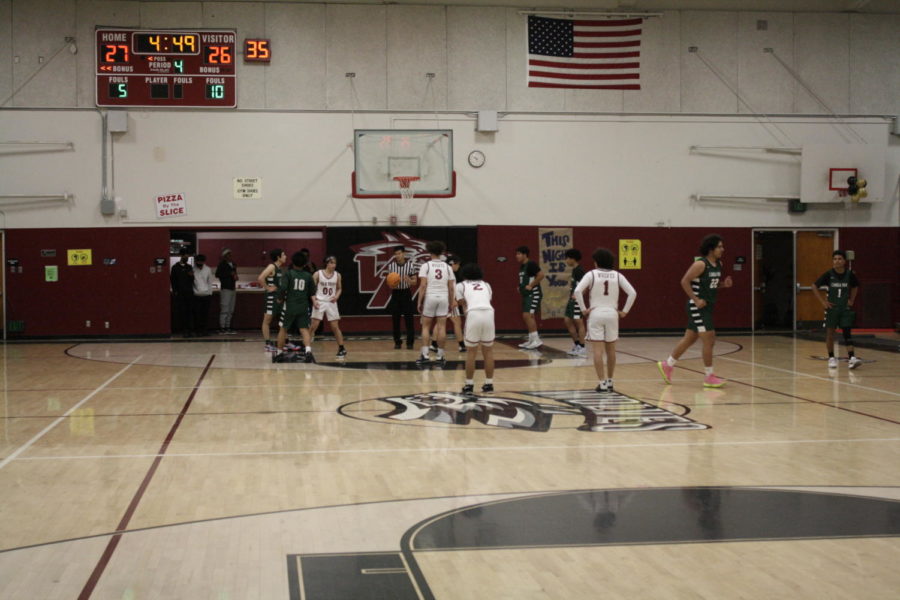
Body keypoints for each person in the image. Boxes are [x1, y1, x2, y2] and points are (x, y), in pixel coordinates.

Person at [657, 234, 733, 388]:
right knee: (709, 339)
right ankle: (709, 376)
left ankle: (668, 364)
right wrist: (696, 299)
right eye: (719, 246)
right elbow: (684, 281)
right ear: (711, 249)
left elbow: (712, 284)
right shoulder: (700, 264)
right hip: (698, 307)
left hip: (708, 305)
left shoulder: (719, 264)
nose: (722, 249)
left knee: (690, 339)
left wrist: (723, 285)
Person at [574, 248, 637, 392]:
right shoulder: (618, 275)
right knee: (611, 350)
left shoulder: (591, 274)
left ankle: (601, 383)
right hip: (612, 314)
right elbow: (633, 293)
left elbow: (577, 291)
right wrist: (625, 311)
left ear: (596, 262)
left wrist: (584, 309)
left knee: (597, 351)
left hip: (596, 313)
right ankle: (610, 381)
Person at [812, 250, 861, 369]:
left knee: (847, 332)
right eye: (835, 259)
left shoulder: (850, 274)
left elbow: (855, 286)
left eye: (839, 259)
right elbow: (814, 286)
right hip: (832, 308)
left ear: (844, 261)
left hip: (844, 308)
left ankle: (852, 358)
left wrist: (852, 300)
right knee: (830, 333)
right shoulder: (829, 274)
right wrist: (823, 302)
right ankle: (831, 358)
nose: (837, 261)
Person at [416, 241, 456, 366]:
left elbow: (422, 285)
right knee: (442, 327)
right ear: (442, 252)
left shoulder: (426, 266)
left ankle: (425, 354)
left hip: (430, 297)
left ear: (429, 251)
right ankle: (440, 356)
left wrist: (419, 302)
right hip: (443, 297)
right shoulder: (447, 267)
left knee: (426, 327)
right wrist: (451, 301)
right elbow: (451, 287)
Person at [457, 263, 496, 394]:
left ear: (465, 274)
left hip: (474, 314)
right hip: (489, 313)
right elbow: (486, 299)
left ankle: (469, 385)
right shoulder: (487, 285)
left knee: (471, 353)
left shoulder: (461, 285)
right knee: (488, 351)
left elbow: (463, 304)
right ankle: (489, 384)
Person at [272, 251, 316, 363]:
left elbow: (282, 288)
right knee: (304, 329)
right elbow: (312, 293)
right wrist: (315, 302)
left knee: (283, 329)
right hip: (303, 306)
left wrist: (280, 298)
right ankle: (308, 352)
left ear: (292, 262)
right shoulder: (308, 276)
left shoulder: (288, 273)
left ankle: (280, 353)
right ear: (305, 264)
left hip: (290, 306)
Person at [311, 256, 347, 359]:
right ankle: (307, 348)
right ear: (326, 263)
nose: (334, 265)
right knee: (314, 326)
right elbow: (312, 289)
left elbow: (339, 288)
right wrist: (314, 301)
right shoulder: (317, 274)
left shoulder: (337, 275)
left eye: (335, 263)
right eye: (331, 263)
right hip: (320, 301)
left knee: (335, 327)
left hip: (331, 302)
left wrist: (336, 296)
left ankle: (341, 348)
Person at [387, 245, 418, 349]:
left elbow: (415, 282)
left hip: (406, 293)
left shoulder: (410, 266)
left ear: (404, 254)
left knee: (409, 319)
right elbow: (389, 283)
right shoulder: (391, 266)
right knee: (395, 319)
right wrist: (393, 283)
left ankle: (410, 342)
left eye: (399, 253)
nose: (398, 256)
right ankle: (397, 342)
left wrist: (408, 280)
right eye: (396, 254)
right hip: (396, 293)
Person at [257, 248, 286, 351]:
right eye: (283, 255)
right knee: (267, 321)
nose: (285, 256)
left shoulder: (279, 268)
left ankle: (284, 341)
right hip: (271, 297)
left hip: (278, 297)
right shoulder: (271, 266)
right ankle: (267, 344)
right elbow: (260, 278)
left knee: (282, 320)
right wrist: (267, 288)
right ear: (278, 257)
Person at [516, 246, 544, 349]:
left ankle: (536, 340)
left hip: (533, 294)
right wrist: (520, 287)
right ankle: (532, 339)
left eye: (519, 254)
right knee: (526, 316)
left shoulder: (531, 264)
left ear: (525, 255)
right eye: (516, 254)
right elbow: (525, 279)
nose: (517, 256)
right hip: (526, 295)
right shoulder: (522, 266)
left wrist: (531, 285)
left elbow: (541, 275)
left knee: (528, 315)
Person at [563, 249, 587, 356]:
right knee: (567, 320)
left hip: (577, 300)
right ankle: (577, 344)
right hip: (572, 300)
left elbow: (585, 286)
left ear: (573, 259)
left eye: (567, 258)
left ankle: (582, 347)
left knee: (579, 322)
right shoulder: (574, 270)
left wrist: (578, 296)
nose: (566, 260)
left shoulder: (580, 270)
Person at [170, 247, 195, 337]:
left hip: (189, 293)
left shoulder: (189, 267)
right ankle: (183, 330)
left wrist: (191, 276)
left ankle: (190, 329)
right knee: (182, 312)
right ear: (181, 256)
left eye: (188, 256)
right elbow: (173, 281)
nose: (187, 257)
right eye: (185, 255)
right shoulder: (175, 268)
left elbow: (192, 280)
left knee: (190, 311)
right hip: (180, 294)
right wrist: (175, 291)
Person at [446, 255, 467, 353]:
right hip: (449, 301)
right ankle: (462, 345)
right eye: (457, 264)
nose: (458, 266)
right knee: (457, 322)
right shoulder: (450, 274)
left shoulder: (445, 272)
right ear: (452, 264)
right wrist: (453, 300)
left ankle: (433, 344)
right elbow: (449, 289)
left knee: (440, 323)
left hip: (441, 300)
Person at [215, 248, 238, 334]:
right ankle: (222, 327)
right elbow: (217, 274)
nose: (230, 256)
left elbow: (234, 274)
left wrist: (236, 276)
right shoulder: (222, 264)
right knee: (224, 309)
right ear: (224, 256)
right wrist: (229, 274)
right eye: (228, 254)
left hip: (232, 288)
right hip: (225, 289)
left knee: (231, 309)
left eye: (231, 254)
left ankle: (228, 326)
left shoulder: (233, 264)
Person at [191, 254, 214, 337]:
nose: (199, 263)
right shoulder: (192, 269)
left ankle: (204, 330)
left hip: (207, 295)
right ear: (196, 261)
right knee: (197, 314)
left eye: (201, 261)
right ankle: (198, 330)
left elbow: (210, 282)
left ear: (204, 262)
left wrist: (210, 293)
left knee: (205, 314)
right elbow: (191, 282)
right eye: (198, 261)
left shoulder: (208, 269)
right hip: (196, 295)